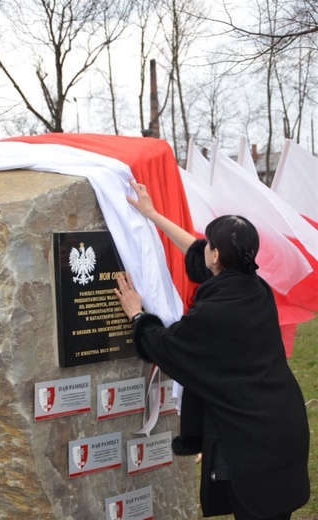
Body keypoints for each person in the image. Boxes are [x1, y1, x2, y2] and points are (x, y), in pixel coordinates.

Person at [114, 180, 310, 520]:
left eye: (210, 246)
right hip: (282, 423)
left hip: (251, 441)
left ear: (216, 255)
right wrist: (152, 214)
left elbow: (164, 345)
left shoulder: (214, 312)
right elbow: (197, 250)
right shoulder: (255, 287)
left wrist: (136, 314)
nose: (204, 249)